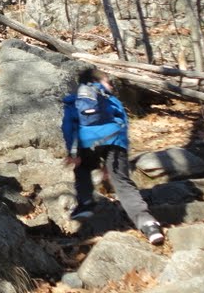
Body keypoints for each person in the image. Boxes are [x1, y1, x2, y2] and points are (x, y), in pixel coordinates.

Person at [62, 68, 164, 246]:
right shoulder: (110, 100)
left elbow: (68, 127)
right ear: (99, 82)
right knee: (122, 183)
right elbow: (123, 123)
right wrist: (121, 150)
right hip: (114, 140)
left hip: (87, 142)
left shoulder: (74, 100)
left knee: (83, 169)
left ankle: (85, 204)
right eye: (107, 81)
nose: (110, 85)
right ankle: (148, 224)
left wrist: (72, 153)